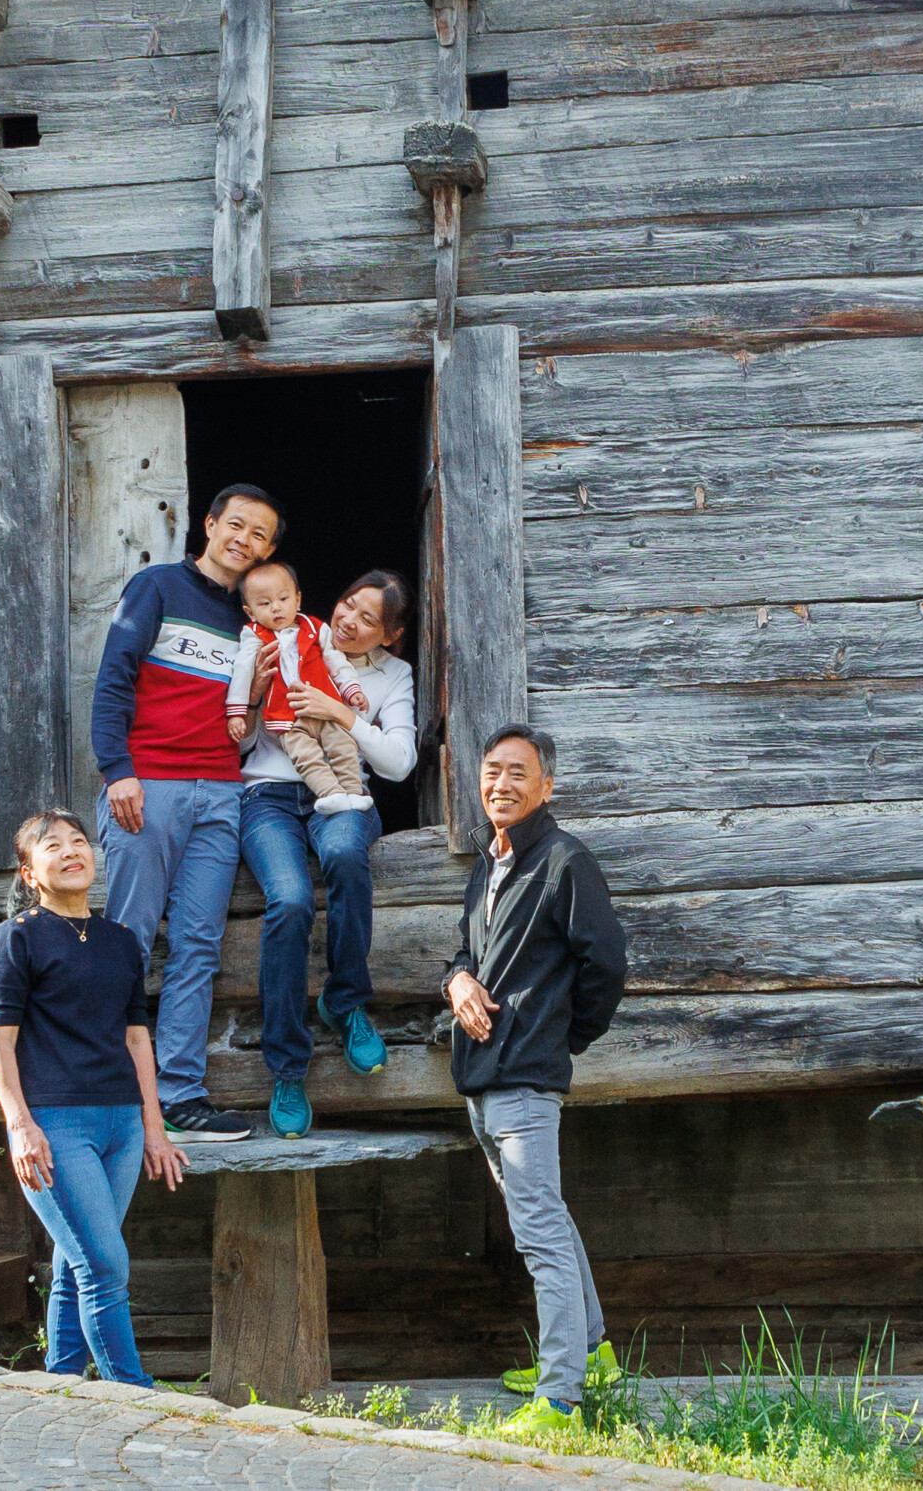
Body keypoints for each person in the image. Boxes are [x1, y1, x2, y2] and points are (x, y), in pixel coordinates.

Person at [442, 724, 628, 1434]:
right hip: (482, 1080)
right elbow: (466, 949)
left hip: (524, 1080)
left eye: (519, 773)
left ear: (546, 786)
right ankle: (593, 1352)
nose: (503, 783)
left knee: (540, 1232)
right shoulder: (490, 867)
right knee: (545, 1217)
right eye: (493, 770)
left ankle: (561, 1398)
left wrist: (563, 1036)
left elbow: (605, 966)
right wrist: (457, 978)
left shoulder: (564, 861)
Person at [88, 482, 282, 1138]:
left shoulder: (251, 621)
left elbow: (244, 731)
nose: (243, 539)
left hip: (221, 792)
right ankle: (113, 1089)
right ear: (209, 523)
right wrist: (117, 770)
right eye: (235, 524)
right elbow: (114, 674)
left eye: (258, 534)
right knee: (130, 940)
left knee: (199, 946)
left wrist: (255, 696)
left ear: (269, 549)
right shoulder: (156, 588)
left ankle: (179, 1092)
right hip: (150, 786)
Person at [0, 808, 189, 1388]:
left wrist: (154, 1126)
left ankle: (59, 1383)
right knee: (104, 1262)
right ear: (29, 873)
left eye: (80, 841)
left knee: (81, 1262)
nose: (73, 851)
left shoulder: (120, 942)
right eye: (54, 846)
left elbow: (136, 1038)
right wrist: (19, 1124)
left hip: (121, 1123)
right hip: (54, 1125)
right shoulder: (14, 941)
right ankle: (134, 1394)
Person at [237, 569, 419, 1136]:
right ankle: (288, 1069)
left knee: (343, 855)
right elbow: (235, 740)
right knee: (289, 902)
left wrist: (341, 712)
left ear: (390, 634)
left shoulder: (394, 677)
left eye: (369, 618)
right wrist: (257, 694)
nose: (349, 620)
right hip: (266, 796)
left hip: (346, 794)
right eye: (346, 603)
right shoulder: (276, 640)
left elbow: (398, 762)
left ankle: (344, 1003)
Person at [225, 559, 374, 816]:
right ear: (250, 612)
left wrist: (352, 690)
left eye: (283, 599)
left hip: (326, 709)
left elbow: (336, 662)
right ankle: (332, 794)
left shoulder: (316, 628)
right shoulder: (254, 635)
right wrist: (236, 711)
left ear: (298, 599)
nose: (276, 608)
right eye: (264, 603)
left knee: (343, 747)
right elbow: (242, 671)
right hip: (286, 718)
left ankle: (353, 792)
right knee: (306, 757)